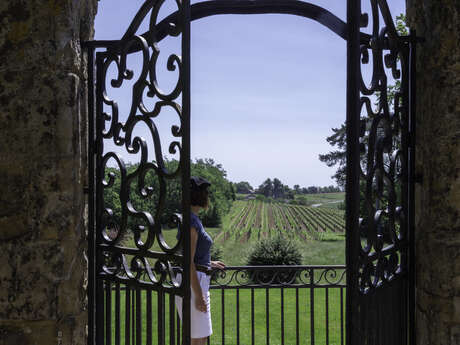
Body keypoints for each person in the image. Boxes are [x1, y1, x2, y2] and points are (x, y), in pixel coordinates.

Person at [175, 176, 225, 345]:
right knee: (198, 340)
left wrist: (209, 263)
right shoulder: (191, 222)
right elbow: (188, 261)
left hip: (195, 279)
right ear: (201, 196)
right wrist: (198, 295)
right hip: (194, 282)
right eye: (206, 193)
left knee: (198, 337)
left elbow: (192, 255)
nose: (208, 197)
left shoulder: (191, 218)